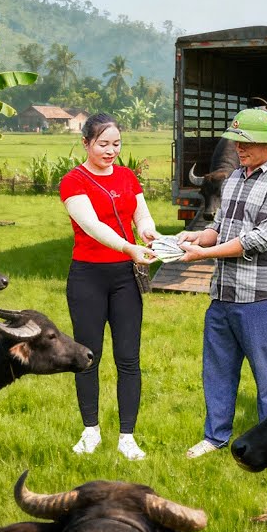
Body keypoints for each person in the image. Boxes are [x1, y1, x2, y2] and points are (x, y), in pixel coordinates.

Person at [175, 107, 267, 458]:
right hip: (222, 296)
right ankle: (214, 438)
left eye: (244, 142)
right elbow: (224, 228)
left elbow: (258, 239)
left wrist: (204, 256)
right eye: (236, 141)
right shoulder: (234, 178)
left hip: (259, 299)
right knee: (217, 374)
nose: (237, 149)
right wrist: (198, 237)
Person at [59, 113, 157, 460]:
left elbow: (140, 214)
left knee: (128, 358)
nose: (111, 151)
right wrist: (129, 247)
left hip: (125, 279)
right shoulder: (73, 181)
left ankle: (127, 437)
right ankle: (91, 431)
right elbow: (92, 226)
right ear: (85, 143)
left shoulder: (128, 176)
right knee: (88, 357)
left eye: (116, 144)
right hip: (88, 277)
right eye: (103, 144)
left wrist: (148, 232)